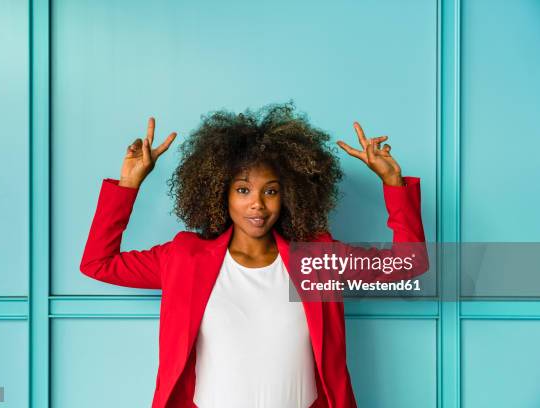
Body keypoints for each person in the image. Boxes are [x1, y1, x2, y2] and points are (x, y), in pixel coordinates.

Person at [80, 102, 428, 408]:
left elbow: (408, 264)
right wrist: (129, 185)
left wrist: (392, 182)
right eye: (243, 189)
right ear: (221, 193)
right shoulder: (185, 257)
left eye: (271, 191)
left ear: (290, 195)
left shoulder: (316, 259)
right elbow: (99, 263)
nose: (257, 204)